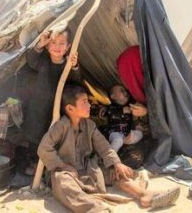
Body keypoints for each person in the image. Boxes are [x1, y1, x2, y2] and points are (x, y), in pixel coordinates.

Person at [37, 85, 180, 213]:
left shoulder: (89, 125)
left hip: (87, 167)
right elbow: (44, 149)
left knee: (114, 172)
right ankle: (96, 209)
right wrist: (63, 166)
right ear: (70, 108)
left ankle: (144, 195)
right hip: (65, 171)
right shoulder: (61, 126)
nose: (89, 105)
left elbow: (104, 146)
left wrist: (116, 163)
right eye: (85, 102)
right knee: (63, 183)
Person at [23, 29, 79, 175]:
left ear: (68, 46)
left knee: (53, 135)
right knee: (35, 134)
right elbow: (31, 59)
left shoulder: (67, 64)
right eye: (53, 42)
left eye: (62, 43)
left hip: (56, 107)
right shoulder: (42, 61)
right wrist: (40, 45)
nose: (57, 46)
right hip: (38, 106)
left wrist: (74, 67)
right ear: (48, 45)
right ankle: (35, 162)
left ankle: (50, 164)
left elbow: (76, 82)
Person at [100, 85, 143, 152]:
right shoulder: (110, 107)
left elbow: (132, 120)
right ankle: (109, 158)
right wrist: (121, 112)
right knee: (118, 140)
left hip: (126, 133)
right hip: (114, 132)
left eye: (125, 90)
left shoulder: (130, 106)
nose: (125, 92)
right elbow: (107, 114)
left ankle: (125, 140)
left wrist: (136, 122)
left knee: (140, 134)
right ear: (113, 96)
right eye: (122, 90)